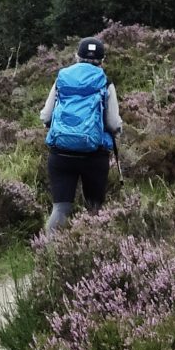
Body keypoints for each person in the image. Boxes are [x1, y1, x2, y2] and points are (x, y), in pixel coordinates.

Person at [41, 36, 122, 234]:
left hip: (61, 154)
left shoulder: (62, 77)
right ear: (102, 60)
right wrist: (118, 130)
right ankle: (92, 253)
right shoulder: (105, 82)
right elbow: (112, 122)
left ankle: (47, 252)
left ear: (77, 56)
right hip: (94, 156)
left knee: (60, 208)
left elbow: (46, 116)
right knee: (94, 208)